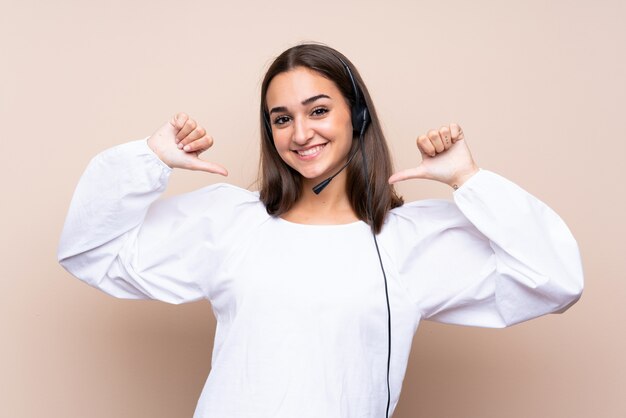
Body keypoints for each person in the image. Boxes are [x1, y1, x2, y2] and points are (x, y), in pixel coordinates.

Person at [57, 43, 584, 418]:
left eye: (319, 110)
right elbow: (91, 252)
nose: (301, 133)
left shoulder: (408, 243)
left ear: (356, 117)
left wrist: (469, 180)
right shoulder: (228, 223)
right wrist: (150, 160)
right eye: (281, 119)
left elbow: (554, 280)